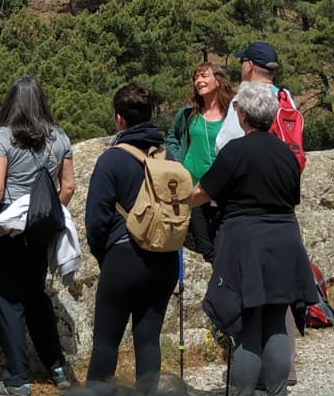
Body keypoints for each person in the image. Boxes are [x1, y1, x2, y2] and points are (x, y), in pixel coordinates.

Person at [188, 82, 316, 396]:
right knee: (275, 319)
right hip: (284, 238)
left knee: (247, 324)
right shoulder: (287, 154)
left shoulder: (235, 151)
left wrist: (177, 201)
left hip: (246, 239)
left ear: (243, 114)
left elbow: (204, 192)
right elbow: (292, 198)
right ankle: (277, 392)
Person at [0, 76, 76, 396]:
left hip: (5, 224)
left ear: (12, 102)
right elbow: (69, 187)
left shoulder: (3, 136)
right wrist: (48, 215)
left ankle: (17, 379)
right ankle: (58, 367)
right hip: (38, 225)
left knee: (9, 298)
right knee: (36, 294)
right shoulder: (60, 137)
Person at [84, 84, 180, 394]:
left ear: (119, 118)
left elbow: (96, 221)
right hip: (164, 259)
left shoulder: (111, 160)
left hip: (123, 257)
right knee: (149, 340)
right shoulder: (170, 158)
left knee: (106, 342)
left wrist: (106, 257)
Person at [164, 62, 234, 260]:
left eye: (204, 76)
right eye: (196, 78)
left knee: (225, 243)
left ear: (218, 80)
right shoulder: (189, 113)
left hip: (223, 191)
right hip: (193, 189)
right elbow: (173, 136)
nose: (199, 81)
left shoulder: (232, 114)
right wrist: (177, 159)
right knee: (205, 248)